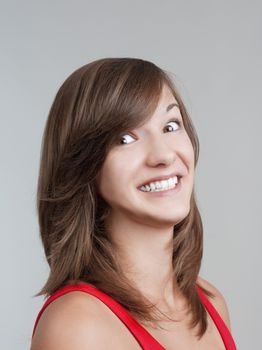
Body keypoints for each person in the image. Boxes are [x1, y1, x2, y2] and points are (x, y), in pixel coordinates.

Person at [30, 57, 237, 349]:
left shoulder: (211, 304)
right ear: (83, 166)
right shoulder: (77, 325)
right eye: (126, 138)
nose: (163, 155)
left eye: (171, 125)